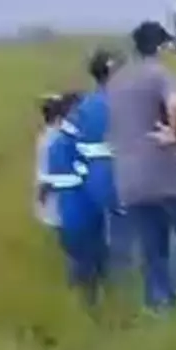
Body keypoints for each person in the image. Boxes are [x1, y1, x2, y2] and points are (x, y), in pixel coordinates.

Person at [107, 20, 176, 310]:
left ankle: (162, 307)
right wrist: (175, 135)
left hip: (129, 181)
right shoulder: (159, 74)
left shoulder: (116, 82)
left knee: (153, 253)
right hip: (168, 177)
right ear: (160, 46)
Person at [62, 49, 133, 277]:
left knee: (95, 233)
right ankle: (123, 286)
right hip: (121, 173)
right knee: (124, 234)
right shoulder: (126, 103)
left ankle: (93, 284)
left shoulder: (83, 107)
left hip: (91, 176)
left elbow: (68, 145)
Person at [41, 91, 109, 305]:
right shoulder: (70, 144)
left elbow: (49, 182)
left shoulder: (53, 144)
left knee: (81, 260)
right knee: (91, 262)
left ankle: (84, 303)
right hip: (84, 211)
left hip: (69, 212)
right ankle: (93, 305)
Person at [34, 94, 68, 228]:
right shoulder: (61, 138)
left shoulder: (45, 139)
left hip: (57, 200)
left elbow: (44, 176)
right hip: (63, 200)